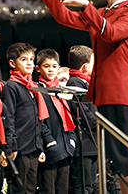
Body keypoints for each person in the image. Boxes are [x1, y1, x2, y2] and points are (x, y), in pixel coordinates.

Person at [28, 0, 128, 194]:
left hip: (119, 94)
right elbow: (66, 18)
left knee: (123, 159)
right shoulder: (102, 13)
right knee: (114, 160)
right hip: (103, 95)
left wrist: (84, 5)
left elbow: (110, 33)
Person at [1, 42, 51, 194]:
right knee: (19, 189)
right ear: (12, 63)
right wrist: (13, 145)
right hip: (20, 148)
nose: (30, 63)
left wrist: (40, 146)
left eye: (31, 59)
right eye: (24, 59)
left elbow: (37, 119)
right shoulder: (11, 86)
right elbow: (8, 117)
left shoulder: (31, 86)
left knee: (30, 187)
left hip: (33, 147)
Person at [35, 48, 76, 194]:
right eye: (46, 66)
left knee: (63, 188)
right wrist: (49, 141)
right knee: (48, 188)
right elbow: (39, 119)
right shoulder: (38, 89)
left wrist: (72, 139)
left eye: (54, 66)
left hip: (65, 147)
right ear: (38, 69)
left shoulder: (61, 90)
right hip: (50, 147)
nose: (51, 70)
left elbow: (69, 115)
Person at [65, 45, 98, 194]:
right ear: (85, 67)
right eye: (93, 63)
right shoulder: (74, 83)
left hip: (92, 142)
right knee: (82, 185)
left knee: (91, 184)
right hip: (83, 144)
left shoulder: (87, 82)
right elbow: (83, 113)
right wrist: (99, 124)